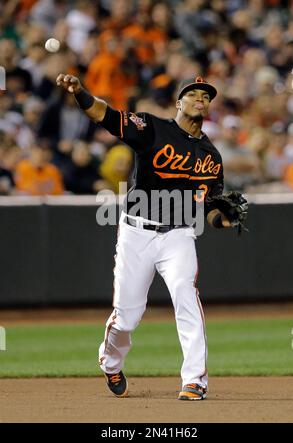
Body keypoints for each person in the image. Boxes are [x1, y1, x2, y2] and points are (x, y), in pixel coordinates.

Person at [56, 73, 236, 401]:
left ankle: (195, 379)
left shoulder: (212, 156)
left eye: (206, 96)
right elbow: (106, 116)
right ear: (179, 102)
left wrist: (222, 220)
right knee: (127, 317)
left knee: (186, 296)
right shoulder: (152, 128)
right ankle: (111, 362)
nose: (200, 99)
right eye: (193, 94)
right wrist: (80, 93)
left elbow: (210, 207)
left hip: (179, 235)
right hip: (137, 232)